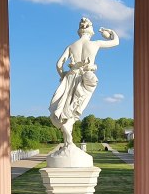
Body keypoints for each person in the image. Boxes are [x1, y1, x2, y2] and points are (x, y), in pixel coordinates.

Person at [49, 17, 119, 146]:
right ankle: (69, 126)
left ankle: (67, 140)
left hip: (70, 75)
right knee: (78, 103)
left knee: (66, 104)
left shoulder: (71, 46)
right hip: (86, 76)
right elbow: (115, 42)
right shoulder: (95, 43)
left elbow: (59, 64)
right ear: (90, 31)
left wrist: (63, 75)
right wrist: (110, 31)